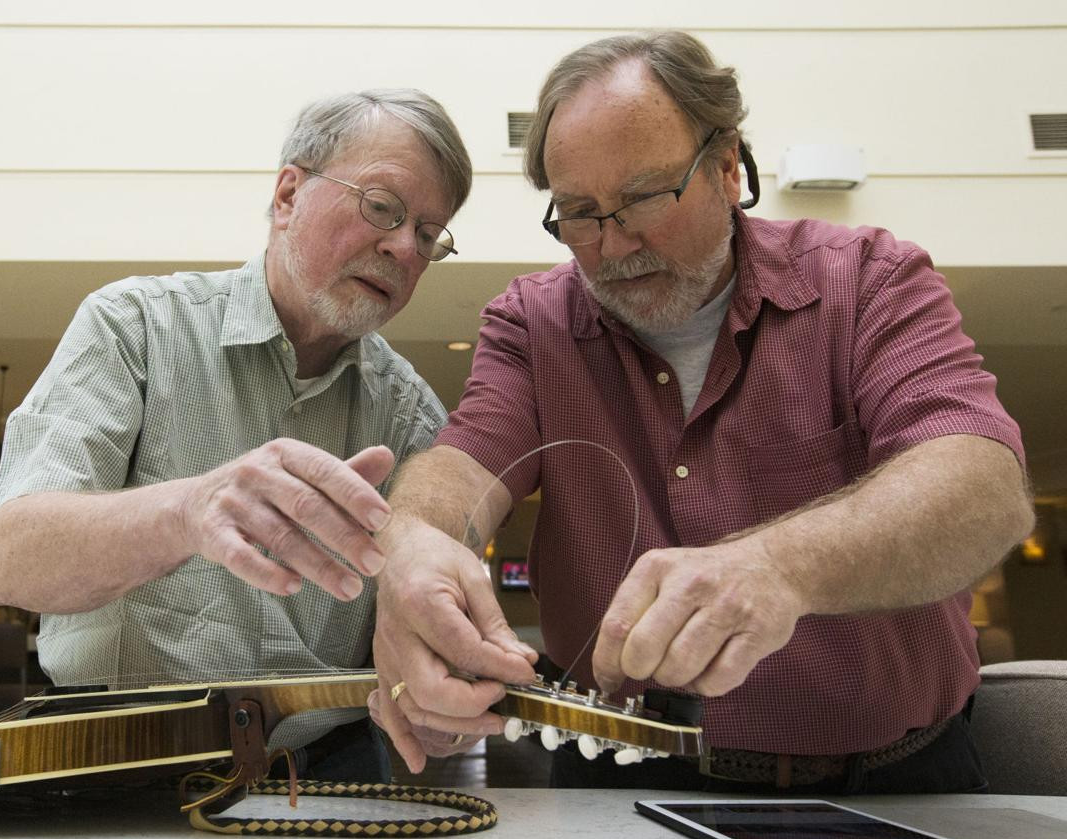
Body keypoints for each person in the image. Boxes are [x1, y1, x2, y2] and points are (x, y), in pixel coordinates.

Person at [369, 31, 1034, 795]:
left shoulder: (869, 282)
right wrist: (414, 544)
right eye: (580, 213)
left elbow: (983, 484)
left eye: (645, 195)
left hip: (895, 780)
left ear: (727, 166)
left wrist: (781, 567)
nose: (615, 243)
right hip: (615, 780)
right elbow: (463, 463)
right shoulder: (533, 322)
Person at [0, 88, 472, 783]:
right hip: (118, 759)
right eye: (383, 208)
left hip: (336, 771)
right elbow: (10, 558)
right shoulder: (135, 328)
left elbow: (411, 641)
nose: (402, 246)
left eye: (428, 234)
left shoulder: (414, 413)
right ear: (288, 194)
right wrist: (189, 511)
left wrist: (435, 695)